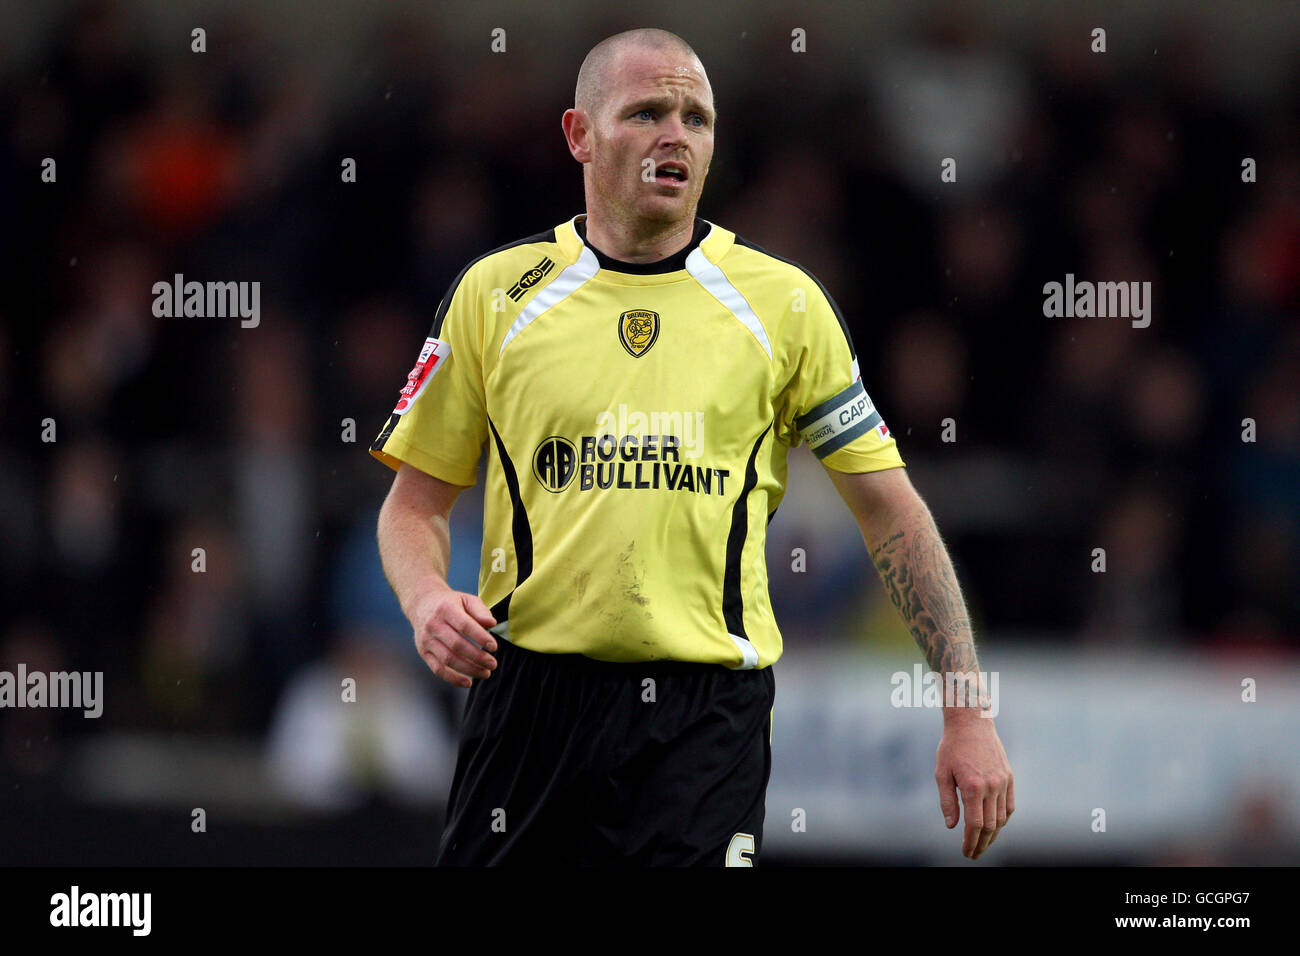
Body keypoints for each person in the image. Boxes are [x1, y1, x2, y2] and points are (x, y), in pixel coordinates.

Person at [370, 27, 1013, 865]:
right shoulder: (496, 296)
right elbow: (414, 505)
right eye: (646, 112)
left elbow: (894, 515)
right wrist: (425, 601)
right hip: (528, 700)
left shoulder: (783, 306)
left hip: (704, 717)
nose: (677, 135)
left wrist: (966, 710)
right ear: (579, 134)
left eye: (697, 118)